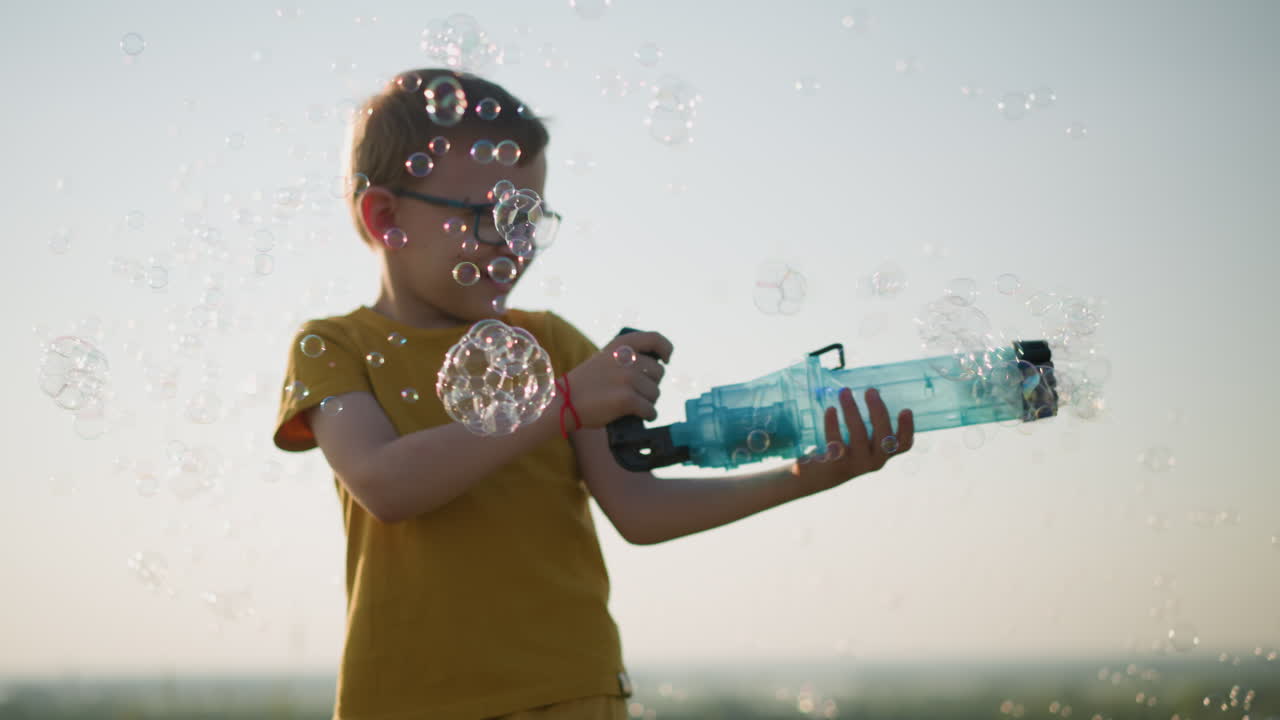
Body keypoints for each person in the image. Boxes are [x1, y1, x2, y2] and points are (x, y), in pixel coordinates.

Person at [273, 68, 915, 720]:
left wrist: (805, 477)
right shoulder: (332, 347)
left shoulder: (553, 344)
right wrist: (563, 404)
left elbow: (638, 509)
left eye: (528, 219)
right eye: (491, 218)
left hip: (572, 692)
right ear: (386, 217)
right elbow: (385, 485)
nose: (516, 246)